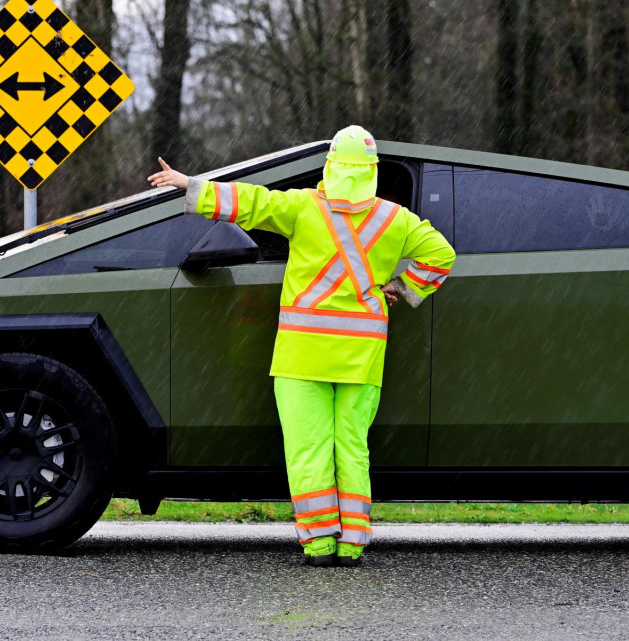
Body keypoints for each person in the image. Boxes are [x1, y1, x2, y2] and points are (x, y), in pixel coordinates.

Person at [148, 126, 455, 567]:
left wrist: (190, 185)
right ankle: (353, 544)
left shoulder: (302, 207)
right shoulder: (396, 220)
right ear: (372, 171)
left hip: (302, 354)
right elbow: (442, 255)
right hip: (362, 357)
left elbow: (251, 202)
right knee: (352, 447)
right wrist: (404, 288)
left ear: (330, 167)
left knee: (308, 449)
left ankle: (319, 545)